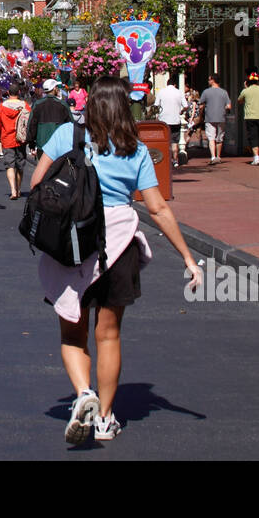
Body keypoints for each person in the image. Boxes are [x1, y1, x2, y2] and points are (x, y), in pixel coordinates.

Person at [30, 76, 202, 444]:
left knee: (72, 334)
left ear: (90, 104)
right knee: (108, 335)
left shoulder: (66, 136)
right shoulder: (135, 149)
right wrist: (188, 257)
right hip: (118, 244)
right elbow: (156, 207)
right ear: (124, 107)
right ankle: (106, 419)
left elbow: (37, 184)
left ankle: (83, 393)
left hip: (72, 245)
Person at [0, 86, 30, 200]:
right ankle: (19, 188)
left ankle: (13, 190)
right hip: (21, 138)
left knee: (9, 165)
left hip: (7, 138)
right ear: (18, 92)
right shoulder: (25, 105)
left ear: (8, 93)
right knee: (20, 165)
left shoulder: (2, 107)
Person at [28, 79, 74, 164]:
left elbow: (31, 125)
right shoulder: (62, 105)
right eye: (56, 87)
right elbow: (71, 125)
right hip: (59, 145)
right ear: (54, 88)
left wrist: (31, 143)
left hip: (42, 144)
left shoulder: (37, 104)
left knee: (44, 173)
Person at [237, 72, 259, 165]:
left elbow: (239, 100)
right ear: (257, 81)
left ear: (248, 82)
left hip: (250, 117)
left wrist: (245, 89)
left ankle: (256, 157)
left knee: (253, 136)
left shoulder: (246, 91)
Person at [198, 74, 231, 164]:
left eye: (209, 80)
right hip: (221, 117)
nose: (208, 81)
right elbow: (229, 106)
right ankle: (218, 156)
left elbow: (201, 104)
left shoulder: (206, 92)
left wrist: (201, 114)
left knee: (211, 138)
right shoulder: (224, 92)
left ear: (212, 80)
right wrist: (223, 108)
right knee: (219, 138)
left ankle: (213, 157)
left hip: (209, 117)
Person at [155, 78, 185, 167]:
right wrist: (181, 111)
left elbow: (156, 105)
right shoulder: (179, 92)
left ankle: (165, 159)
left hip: (164, 121)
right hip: (175, 120)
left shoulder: (161, 92)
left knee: (165, 141)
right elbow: (186, 105)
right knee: (174, 141)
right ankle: (175, 160)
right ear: (175, 85)